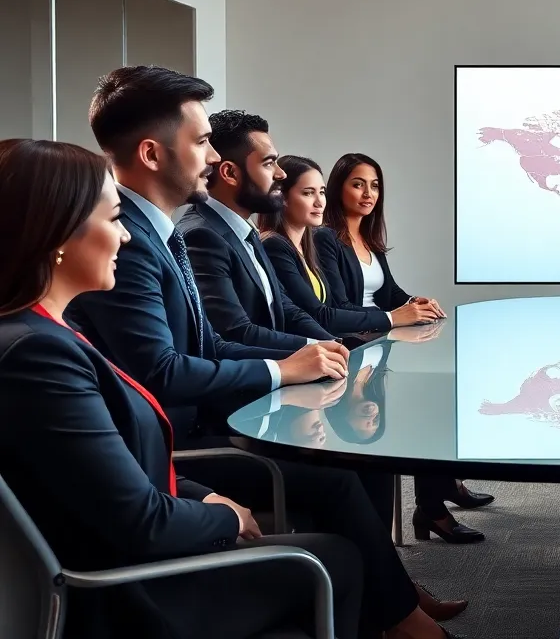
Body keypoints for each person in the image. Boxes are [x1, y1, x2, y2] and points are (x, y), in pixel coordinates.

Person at [62, 66, 466, 638]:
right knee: (339, 474)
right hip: (188, 441)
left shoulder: (164, 232)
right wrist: (284, 368)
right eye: (201, 142)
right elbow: (161, 371)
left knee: (350, 462)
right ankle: (401, 616)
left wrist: (304, 357)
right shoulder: (133, 241)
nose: (211, 159)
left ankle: (392, 604)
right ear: (152, 154)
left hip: (193, 429)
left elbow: (211, 340)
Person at [0, 138, 363, 639]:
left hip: (140, 551)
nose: (125, 236)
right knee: (335, 561)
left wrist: (204, 495)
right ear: (57, 232)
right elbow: (139, 520)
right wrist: (225, 518)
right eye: (113, 219)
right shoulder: (38, 354)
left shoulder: (53, 333)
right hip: (134, 595)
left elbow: (113, 467)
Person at [317, 152, 495, 538]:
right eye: (358, 184)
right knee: (423, 406)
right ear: (338, 189)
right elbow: (337, 308)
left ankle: (443, 487)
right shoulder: (326, 238)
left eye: (375, 186)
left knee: (440, 396)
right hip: (353, 349)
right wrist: (394, 317)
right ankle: (432, 508)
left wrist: (417, 302)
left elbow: (390, 292)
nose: (368, 193)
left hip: (381, 344)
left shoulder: (369, 237)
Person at [177, 110, 336, 351]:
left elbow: (284, 306)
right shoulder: (202, 236)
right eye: (269, 163)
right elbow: (236, 332)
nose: (281, 174)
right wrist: (315, 349)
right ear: (230, 173)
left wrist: (331, 343)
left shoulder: (246, 230)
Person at [257, 154, 439, 336]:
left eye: (322, 192)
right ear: (282, 198)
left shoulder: (306, 245)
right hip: (334, 342)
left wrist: (413, 305)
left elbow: (389, 292)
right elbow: (323, 314)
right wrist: (392, 317)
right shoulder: (281, 244)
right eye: (308, 193)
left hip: (348, 339)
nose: (319, 202)